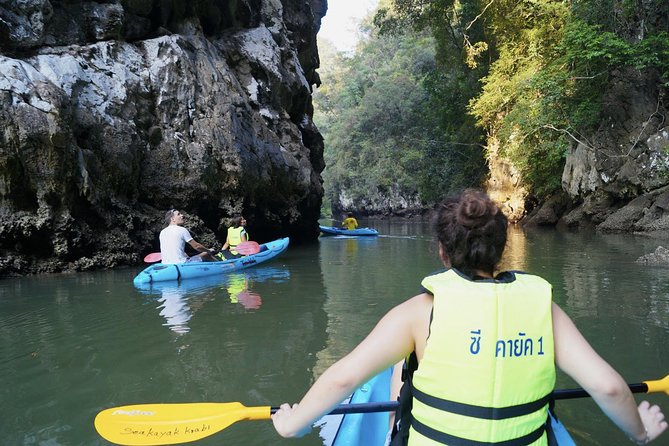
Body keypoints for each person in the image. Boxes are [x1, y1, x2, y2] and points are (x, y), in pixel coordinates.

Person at [272, 189, 667, 445]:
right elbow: (610, 388)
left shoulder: (418, 313)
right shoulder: (542, 306)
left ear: (441, 251)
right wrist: (641, 432)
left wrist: (293, 423)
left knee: (400, 370)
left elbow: (342, 378)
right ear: (501, 247)